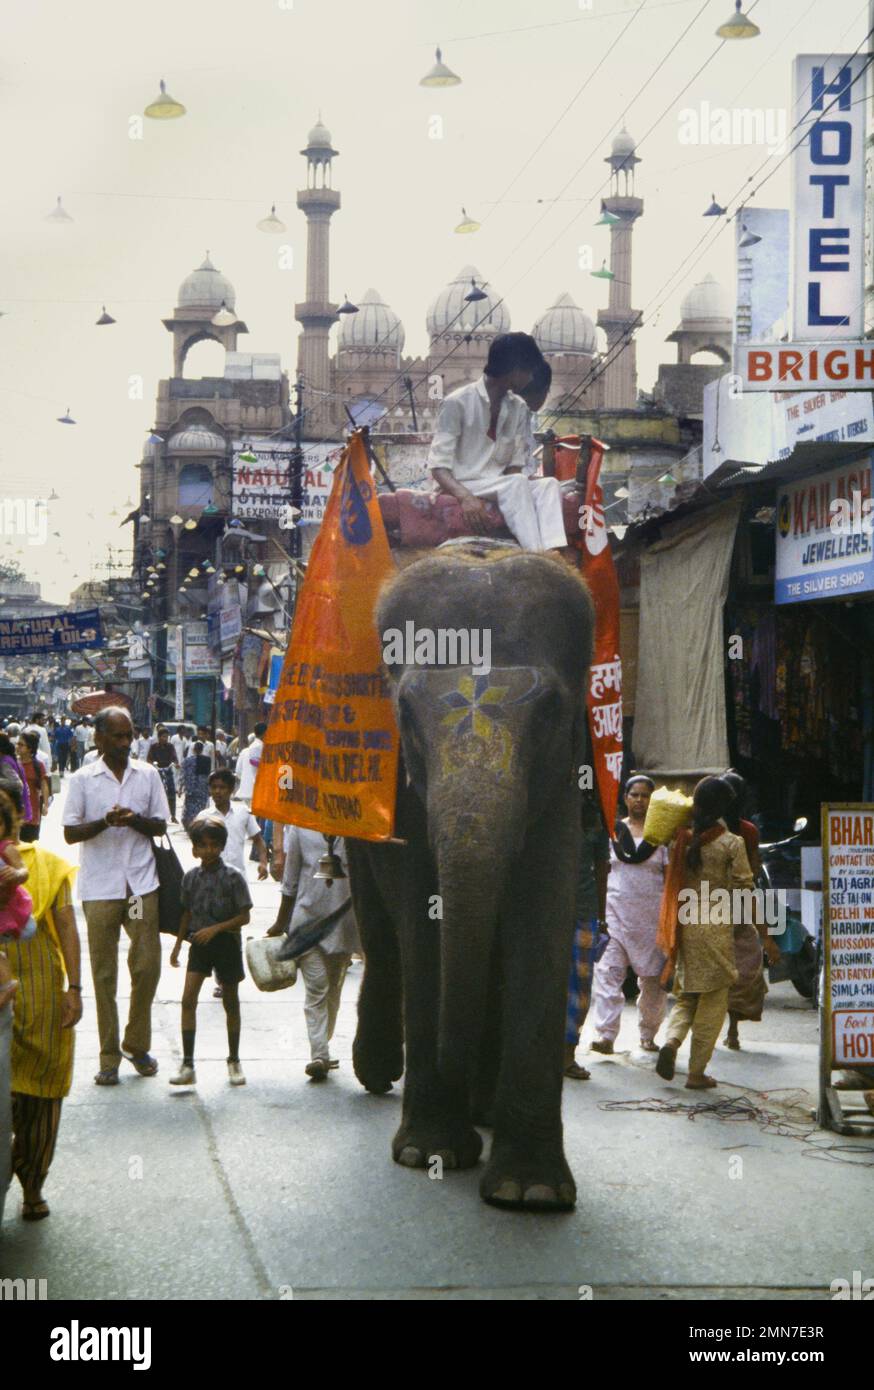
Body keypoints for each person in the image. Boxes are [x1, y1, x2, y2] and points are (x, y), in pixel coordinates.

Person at [62, 706, 169, 1086]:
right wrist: (104, 822)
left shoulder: (148, 775)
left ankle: (136, 1044)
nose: (126, 744)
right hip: (101, 890)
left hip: (139, 889)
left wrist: (133, 820)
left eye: (129, 736)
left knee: (146, 966)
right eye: (118, 737)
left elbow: (159, 825)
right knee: (103, 974)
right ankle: (109, 1057)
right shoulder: (82, 780)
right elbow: (70, 834)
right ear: (99, 738)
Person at [1, 777, 82, 1220]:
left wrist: (75, 988)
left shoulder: (48, 865)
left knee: (43, 1098)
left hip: (45, 997)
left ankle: (32, 1185)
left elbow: (67, 926)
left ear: (19, 817)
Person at [655, 777, 754, 1090]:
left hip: (685, 925)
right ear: (725, 806)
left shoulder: (680, 838)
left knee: (687, 994)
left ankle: (671, 1042)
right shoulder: (730, 843)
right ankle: (696, 1073)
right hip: (715, 928)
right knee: (713, 1001)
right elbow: (743, 886)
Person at [428, 332, 567, 552]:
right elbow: (438, 467)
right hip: (463, 483)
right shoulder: (457, 403)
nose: (531, 379)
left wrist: (514, 494)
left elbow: (514, 466)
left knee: (548, 485)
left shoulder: (518, 407)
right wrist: (465, 497)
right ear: (515, 370)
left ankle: (555, 552)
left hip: (500, 485)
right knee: (517, 483)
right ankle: (537, 555)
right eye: (529, 371)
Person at [268, 827, 359, 1081]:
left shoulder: (353, 828)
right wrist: (280, 922)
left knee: (333, 993)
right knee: (317, 989)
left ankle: (323, 1046)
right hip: (307, 922)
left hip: (342, 924)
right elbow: (291, 881)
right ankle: (318, 1054)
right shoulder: (299, 830)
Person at [590, 776, 670, 1056]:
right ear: (625, 798)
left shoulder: (661, 836)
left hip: (651, 922)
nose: (639, 800)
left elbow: (671, 880)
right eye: (634, 794)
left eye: (645, 795)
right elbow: (601, 872)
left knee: (653, 984)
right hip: (614, 917)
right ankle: (606, 1036)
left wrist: (671, 922)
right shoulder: (612, 832)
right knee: (608, 975)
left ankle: (648, 1035)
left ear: (652, 800)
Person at [169, 818, 251, 1087]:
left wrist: (216, 929)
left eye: (214, 845)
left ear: (222, 846)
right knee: (188, 1000)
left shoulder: (233, 877)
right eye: (202, 845)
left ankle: (234, 1059)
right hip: (199, 945)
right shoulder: (191, 878)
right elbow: (186, 913)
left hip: (225, 943)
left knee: (230, 1001)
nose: (208, 851)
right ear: (194, 849)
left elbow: (243, 917)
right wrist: (178, 945)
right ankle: (188, 1063)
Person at [721, 770, 778, 1050]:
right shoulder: (747, 831)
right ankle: (731, 1029)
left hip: (706, 904)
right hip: (740, 903)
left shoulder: (702, 829)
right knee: (743, 968)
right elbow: (754, 871)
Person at [564, 793, 611, 1080]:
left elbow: (603, 873)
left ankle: (567, 1055)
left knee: (580, 990)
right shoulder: (552, 820)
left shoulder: (596, 826)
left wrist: (602, 918)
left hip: (584, 913)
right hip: (551, 913)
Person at [0, 784, 36, 1008]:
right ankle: (7, 984)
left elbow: (24, 872)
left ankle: (8, 986)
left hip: (9, 908)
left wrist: (15, 874)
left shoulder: (6, 847)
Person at [17, 732, 51, 842]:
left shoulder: (38, 766)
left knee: (29, 845)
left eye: (21, 745)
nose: (17, 747)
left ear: (30, 748)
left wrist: (46, 805)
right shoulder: (12, 764)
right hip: (14, 814)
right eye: (17, 744)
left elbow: (44, 786)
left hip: (32, 814)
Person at [147, 725, 179, 823]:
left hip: (168, 770)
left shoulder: (170, 746)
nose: (165, 739)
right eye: (163, 736)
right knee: (156, 792)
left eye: (166, 737)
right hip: (157, 771)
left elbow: (174, 757)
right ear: (159, 737)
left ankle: (173, 816)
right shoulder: (154, 747)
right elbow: (149, 759)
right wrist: (152, 764)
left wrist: (175, 763)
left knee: (171, 792)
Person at [0, 732, 33, 822]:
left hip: (16, 812)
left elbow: (17, 784)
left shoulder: (5, 762)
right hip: (20, 810)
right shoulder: (9, 759)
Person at [234, 722, 266, 805]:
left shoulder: (245, 751)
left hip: (245, 791)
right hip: (255, 791)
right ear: (265, 734)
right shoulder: (259, 747)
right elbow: (254, 762)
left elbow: (238, 772)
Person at [181, 740, 211, 827]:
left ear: (193, 749)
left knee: (190, 807)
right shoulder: (207, 760)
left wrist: (181, 788)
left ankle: (190, 823)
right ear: (202, 750)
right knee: (201, 806)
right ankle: (200, 822)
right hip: (202, 787)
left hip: (191, 787)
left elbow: (183, 774)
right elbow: (208, 774)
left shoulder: (187, 760)